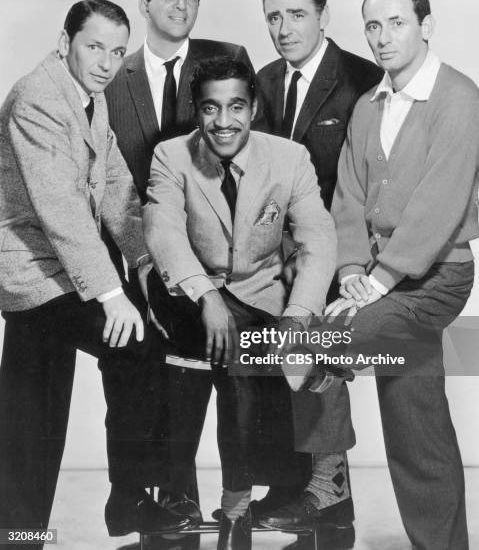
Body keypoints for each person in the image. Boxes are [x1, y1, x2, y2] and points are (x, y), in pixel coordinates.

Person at [262, 0, 479, 550]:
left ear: (426, 25)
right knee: (417, 425)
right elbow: (349, 200)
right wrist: (353, 268)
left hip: (435, 278)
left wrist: (375, 284)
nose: (383, 38)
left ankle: (327, 485)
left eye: (397, 23)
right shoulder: (368, 106)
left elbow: (441, 203)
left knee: (315, 346)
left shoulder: (459, 98)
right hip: (378, 280)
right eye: (373, 27)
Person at [0, 0, 190, 547]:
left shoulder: (88, 96)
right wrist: (113, 294)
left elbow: (115, 191)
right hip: (33, 272)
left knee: (31, 409)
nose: (106, 62)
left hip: (61, 267)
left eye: (114, 50)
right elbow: (60, 211)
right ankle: (126, 499)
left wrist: (147, 264)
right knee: (133, 347)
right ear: (66, 43)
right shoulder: (37, 98)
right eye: (93, 46)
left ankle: (20, 534)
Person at [143, 55, 337, 550]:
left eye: (235, 107)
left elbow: (318, 240)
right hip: (191, 291)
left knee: (247, 369)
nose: (223, 122)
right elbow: (163, 233)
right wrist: (205, 294)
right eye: (211, 108)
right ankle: (188, 502)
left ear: (252, 108)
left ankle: (236, 509)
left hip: (259, 294)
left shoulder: (289, 158)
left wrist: (298, 317)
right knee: (196, 372)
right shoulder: (171, 155)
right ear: (196, 109)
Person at [104, 0, 253, 528]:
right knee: (152, 376)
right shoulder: (113, 77)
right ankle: (169, 502)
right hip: (139, 256)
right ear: (144, 4)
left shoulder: (227, 60)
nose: (180, 3)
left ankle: (234, 500)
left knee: (219, 372)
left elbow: (248, 151)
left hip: (218, 257)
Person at [253, 0, 381, 548]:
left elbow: (375, 183)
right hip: (280, 258)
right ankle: (316, 496)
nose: (283, 27)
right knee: (276, 366)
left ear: (323, 15)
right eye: (274, 15)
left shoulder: (363, 79)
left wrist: (362, 268)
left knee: (314, 358)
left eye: (296, 13)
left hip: (348, 258)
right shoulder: (263, 80)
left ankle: (325, 487)